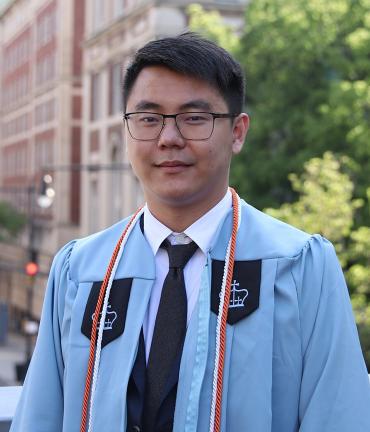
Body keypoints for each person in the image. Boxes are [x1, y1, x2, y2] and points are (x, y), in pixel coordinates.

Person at [11, 32, 370, 432]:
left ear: (237, 132)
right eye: (148, 119)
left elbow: (338, 418)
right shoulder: (80, 272)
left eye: (194, 118)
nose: (168, 138)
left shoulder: (300, 268)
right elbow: (40, 418)